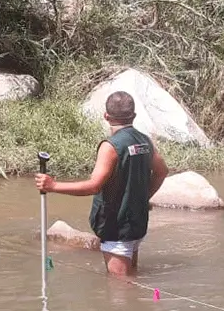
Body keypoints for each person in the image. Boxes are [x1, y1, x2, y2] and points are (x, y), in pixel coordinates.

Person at [34, 91, 169, 277]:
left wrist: (53, 186)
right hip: (137, 222)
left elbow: (94, 186)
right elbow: (162, 171)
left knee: (120, 287)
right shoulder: (144, 141)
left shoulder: (111, 146)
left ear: (106, 116)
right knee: (132, 275)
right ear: (134, 116)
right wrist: (143, 197)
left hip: (117, 227)